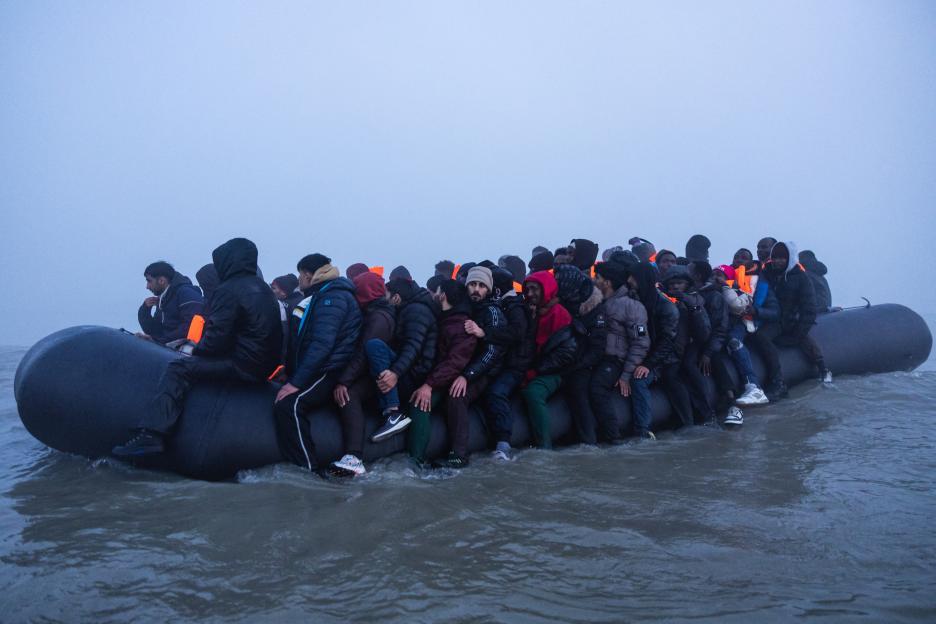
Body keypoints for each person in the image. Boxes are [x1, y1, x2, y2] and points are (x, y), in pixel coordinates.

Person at [113, 238, 282, 456]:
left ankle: (151, 436)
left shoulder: (228, 290)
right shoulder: (263, 289)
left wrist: (197, 354)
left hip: (242, 366)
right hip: (265, 367)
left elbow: (217, 338)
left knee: (178, 368)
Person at [273, 254, 362, 472]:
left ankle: (306, 467)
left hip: (330, 368)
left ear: (306, 274)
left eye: (300, 275)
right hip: (322, 365)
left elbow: (322, 344)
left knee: (290, 404)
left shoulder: (333, 297)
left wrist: (297, 383)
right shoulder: (324, 295)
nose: (299, 280)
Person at [433, 266, 508, 468]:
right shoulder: (464, 308)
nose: (476, 289)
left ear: (488, 290)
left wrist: (466, 376)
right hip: (463, 364)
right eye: (473, 284)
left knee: (457, 396)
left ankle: (459, 455)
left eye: (481, 286)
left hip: (484, 370)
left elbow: (492, 352)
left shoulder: (492, 312)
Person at [329, 272, 397, 477]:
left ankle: (354, 456)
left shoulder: (378, 318)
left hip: (379, 374)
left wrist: (343, 381)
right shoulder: (379, 313)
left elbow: (362, 354)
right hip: (374, 370)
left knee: (349, 396)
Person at [405, 279, 477, 466]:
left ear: (442, 294)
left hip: (452, 379)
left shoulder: (461, 325)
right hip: (437, 376)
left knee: (420, 404)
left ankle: (417, 460)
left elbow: (454, 362)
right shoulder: (442, 318)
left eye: (434, 292)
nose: (432, 295)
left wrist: (429, 385)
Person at [367, 278, 439, 443]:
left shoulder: (416, 311)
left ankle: (393, 413)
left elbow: (412, 347)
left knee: (375, 346)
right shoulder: (410, 308)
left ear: (396, 298)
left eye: (387, 295)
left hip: (415, 375)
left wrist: (395, 373)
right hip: (412, 370)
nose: (385, 299)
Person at [591, 261, 653, 439]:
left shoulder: (631, 306)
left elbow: (640, 342)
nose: (594, 280)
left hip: (617, 361)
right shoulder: (599, 303)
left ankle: (613, 437)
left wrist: (626, 375)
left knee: (597, 388)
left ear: (607, 282)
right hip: (600, 358)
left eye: (598, 277)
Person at [629, 263, 695, 429]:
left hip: (664, 358)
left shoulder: (666, 307)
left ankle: (643, 430)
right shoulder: (635, 299)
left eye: (633, 278)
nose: (629, 280)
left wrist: (648, 365)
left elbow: (667, 341)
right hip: (642, 353)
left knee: (639, 381)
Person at [479, 268, 534, 461]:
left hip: (515, 365)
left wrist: (486, 334)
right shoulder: (505, 304)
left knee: (496, 392)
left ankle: (504, 443)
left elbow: (517, 334)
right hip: (505, 362)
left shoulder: (515, 306)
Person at [520, 271, 576, 449]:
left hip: (555, 371)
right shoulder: (530, 313)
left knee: (533, 393)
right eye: (527, 289)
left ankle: (544, 445)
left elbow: (566, 353)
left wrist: (536, 371)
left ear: (547, 289)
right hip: (532, 367)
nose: (529, 294)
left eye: (534, 289)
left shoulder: (560, 315)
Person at [764, 241, 832, 383]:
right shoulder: (768, 274)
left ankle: (823, 368)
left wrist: (798, 333)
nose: (778, 261)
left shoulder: (801, 277)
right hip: (774, 319)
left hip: (791, 318)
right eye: (775, 257)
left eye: (782, 257)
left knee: (803, 338)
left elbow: (809, 307)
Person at [687, 261, 739, 425]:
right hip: (695, 341)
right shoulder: (689, 293)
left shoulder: (714, 297)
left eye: (689, 270)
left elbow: (719, 329)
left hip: (713, 342)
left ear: (697, 275)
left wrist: (708, 353)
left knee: (712, 361)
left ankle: (730, 400)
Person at [712, 265, 769, 407]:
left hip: (737, 325)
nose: (716, 278)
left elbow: (736, 306)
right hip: (719, 328)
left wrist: (726, 287)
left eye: (720, 275)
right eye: (714, 274)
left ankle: (753, 387)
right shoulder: (709, 292)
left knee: (734, 342)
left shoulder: (741, 292)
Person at [561, 278, 606, 444]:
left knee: (579, 391)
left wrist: (577, 366)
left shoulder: (596, 311)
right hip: (569, 360)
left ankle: (589, 439)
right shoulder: (568, 307)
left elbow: (598, 348)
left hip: (587, 363)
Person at [136, 261, 204, 345]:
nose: (147, 286)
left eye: (149, 281)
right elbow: (155, 331)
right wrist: (145, 310)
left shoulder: (186, 293)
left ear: (161, 280)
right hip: (168, 347)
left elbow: (190, 326)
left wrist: (159, 341)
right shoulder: (164, 299)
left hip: (186, 350)